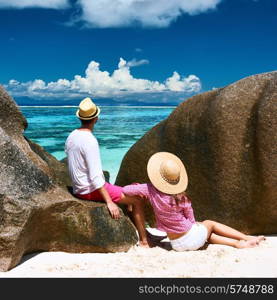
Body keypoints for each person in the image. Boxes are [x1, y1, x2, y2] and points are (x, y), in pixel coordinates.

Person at [122, 152, 266, 251]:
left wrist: (136, 186)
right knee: (209, 223)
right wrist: (194, 223)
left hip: (176, 245)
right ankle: (245, 237)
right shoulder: (181, 197)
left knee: (206, 233)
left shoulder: (149, 189)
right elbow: (190, 217)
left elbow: (126, 190)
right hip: (191, 239)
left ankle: (237, 244)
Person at [65, 97, 150, 247]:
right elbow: (96, 176)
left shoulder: (72, 136)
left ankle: (133, 223)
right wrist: (109, 202)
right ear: (96, 118)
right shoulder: (90, 140)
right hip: (89, 189)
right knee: (137, 199)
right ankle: (144, 241)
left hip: (78, 187)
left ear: (80, 117)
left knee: (131, 189)